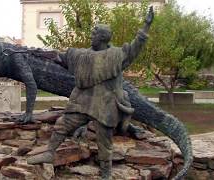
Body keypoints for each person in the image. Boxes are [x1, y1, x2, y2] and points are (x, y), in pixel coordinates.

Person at [27, 7, 154, 180]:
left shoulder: (116, 55)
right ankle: (49, 152)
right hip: (83, 101)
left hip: (105, 104)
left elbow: (135, 48)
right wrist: (41, 54)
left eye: (94, 33)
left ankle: (106, 173)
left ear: (102, 37)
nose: (91, 35)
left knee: (104, 142)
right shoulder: (82, 55)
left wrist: (146, 26)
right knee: (62, 124)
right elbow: (61, 58)